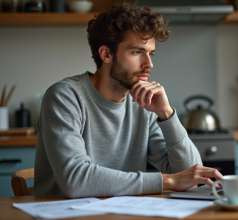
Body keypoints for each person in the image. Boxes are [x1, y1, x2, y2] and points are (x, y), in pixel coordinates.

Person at [33, 1, 222, 198]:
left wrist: (167, 115)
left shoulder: (143, 104)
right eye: (137, 52)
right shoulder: (65, 97)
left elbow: (191, 175)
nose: (149, 64)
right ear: (106, 54)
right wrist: (169, 181)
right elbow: (75, 181)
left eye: (150, 53)